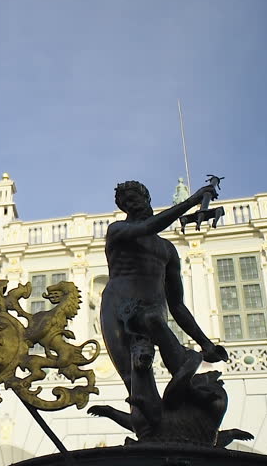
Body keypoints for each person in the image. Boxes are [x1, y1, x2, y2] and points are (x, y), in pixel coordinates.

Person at [102, 180, 228, 424]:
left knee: (153, 322)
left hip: (151, 310)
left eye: (135, 198)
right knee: (134, 381)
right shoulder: (117, 230)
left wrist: (205, 343)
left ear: (147, 199)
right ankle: (151, 427)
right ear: (122, 207)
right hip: (117, 307)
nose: (132, 203)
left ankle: (185, 386)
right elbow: (149, 226)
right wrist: (191, 202)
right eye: (126, 201)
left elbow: (177, 305)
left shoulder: (167, 250)